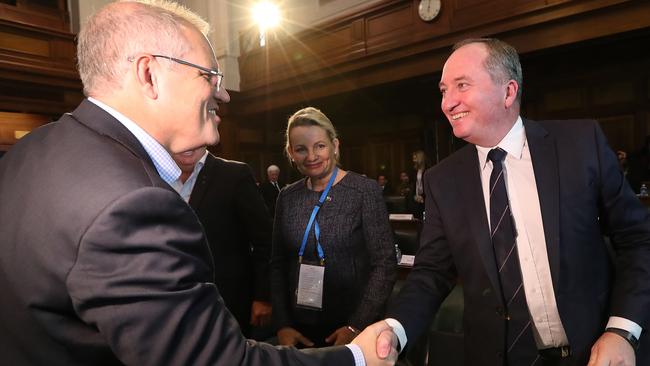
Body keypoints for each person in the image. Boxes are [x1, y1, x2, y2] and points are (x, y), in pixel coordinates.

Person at [0, 1, 397, 365]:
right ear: (149, 74)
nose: (222, 93)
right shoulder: (133, 203)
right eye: (209, 75)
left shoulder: (29, 150)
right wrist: (355, 358)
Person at [371, 38, 650, 366]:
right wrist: (395, 328)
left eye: (462, 85)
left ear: (508, 92)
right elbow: (431, 273)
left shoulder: (580, 144)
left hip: (598, 352)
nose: (448, 103)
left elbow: (638, 240)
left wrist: (622, 331)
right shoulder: (442, 180)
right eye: (444, 90)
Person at [271, 107, 397, 349]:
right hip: (299, 330)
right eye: (301, 149)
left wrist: (356, 325)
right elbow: (277, 264)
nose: (311, 156)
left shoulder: (364, 191)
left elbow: (385, 265)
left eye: (319, 146)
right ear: (291, 153)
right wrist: (283, 324)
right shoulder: (286, 197)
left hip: (354, 330)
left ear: (335, 145)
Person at [172, 146, 273, 339]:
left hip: (228, 303)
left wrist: (263, 297)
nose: (186, 144)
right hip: (173, 306)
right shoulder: (152, 175)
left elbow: (264, 240)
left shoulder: (234, 174)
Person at [407, 150, 427, 219]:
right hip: (416, 198)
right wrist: (415, 196)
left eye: (415, 158)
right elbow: (413, 185)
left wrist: (423, 197)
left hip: (425, 199)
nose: (413, 160)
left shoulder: (428, 169)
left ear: (420, 158)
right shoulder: (414, 170)